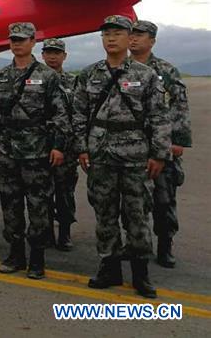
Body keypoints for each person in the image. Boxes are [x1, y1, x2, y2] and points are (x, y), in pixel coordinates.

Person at [72, 15, 170, 298]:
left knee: (137, 214)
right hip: (100, 153)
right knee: (104, 213)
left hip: (135, 155)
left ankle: (141, 272)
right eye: (106, 34)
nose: (111, 38)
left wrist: (159, 154)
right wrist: (81, 147)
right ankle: (109, 267)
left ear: (130, 38)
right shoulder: (89, 74)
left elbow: (159, 117)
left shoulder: (146, 75)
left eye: (117, 33)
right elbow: (78, 114)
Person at [0, 22, 69, 280]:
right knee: (10, 204)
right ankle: (15, 253)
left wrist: (58, 146)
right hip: (7, 150)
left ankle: (37, 258)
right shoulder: (0, 75)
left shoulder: (47, 75)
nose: (16, 43)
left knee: (39, 206)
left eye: (21, 39)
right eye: (13, 39)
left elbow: (61, 114)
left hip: (37, 151)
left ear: (33, 42)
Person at [130, 20, 192, 269]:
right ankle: (134, 244)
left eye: (140, 35)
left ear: (152, 40)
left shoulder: (165, 70)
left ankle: (165, 245)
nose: (134, 39)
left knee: (163, 199)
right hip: (131, 145)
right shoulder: (123, 69)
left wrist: (177, 140)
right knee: (133, 201)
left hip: (161, 144)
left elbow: (179, 105)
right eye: (132, 35)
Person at [41, 38, 78, 251]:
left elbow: (79, 114)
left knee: (65, 193)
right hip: (41, 146)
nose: (52, 56)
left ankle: (65, 233)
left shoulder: (73, 82)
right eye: (49, 52)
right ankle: (45, 232)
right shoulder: (36, 79)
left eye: (57, 52)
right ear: (43, 55)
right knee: (42, 192)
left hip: (66, 148)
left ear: (64, 56)